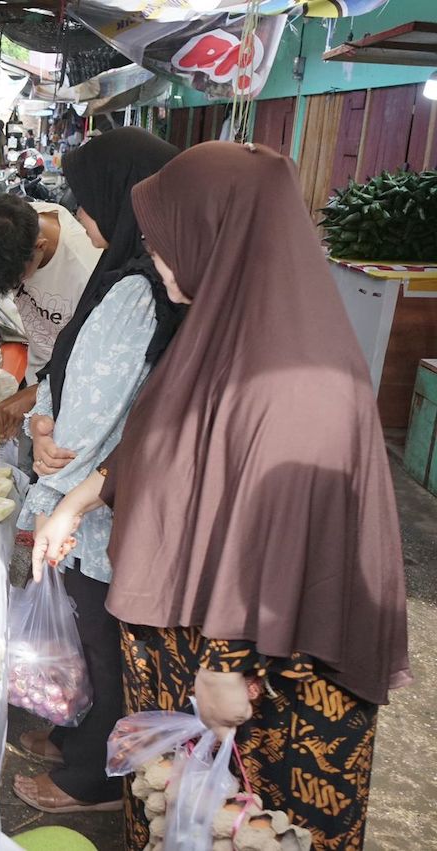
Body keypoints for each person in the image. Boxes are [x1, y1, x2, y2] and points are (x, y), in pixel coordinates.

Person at [32, 141, 412, 848]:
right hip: (196, 660)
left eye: (164, 240)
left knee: (250, 829)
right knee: (181, 818)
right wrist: (76, 501)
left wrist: (224, 666)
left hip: (262, 685)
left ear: (216, 234)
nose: (155, 257)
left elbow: (281, 528)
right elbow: (163, 448)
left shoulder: (300, 379)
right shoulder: (218, 333)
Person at [11, 127, 181, 815]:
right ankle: (76, 734)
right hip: (80, 479)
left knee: (100, 639)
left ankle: (96, 779)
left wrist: (60, 454)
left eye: (87, 200)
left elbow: (111, 398)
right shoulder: (119, 270)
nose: (81, 216)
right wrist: (41, 422)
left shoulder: (144, 287)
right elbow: (70, 369)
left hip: (101, 498)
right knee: (83, 629)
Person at [0, 193, 101, 436]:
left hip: (79, 395)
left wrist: (37, 394)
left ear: (40, 246)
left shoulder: (87, 270)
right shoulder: (4, 223)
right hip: (40, 377)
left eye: (16, 280)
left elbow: (95, 361)